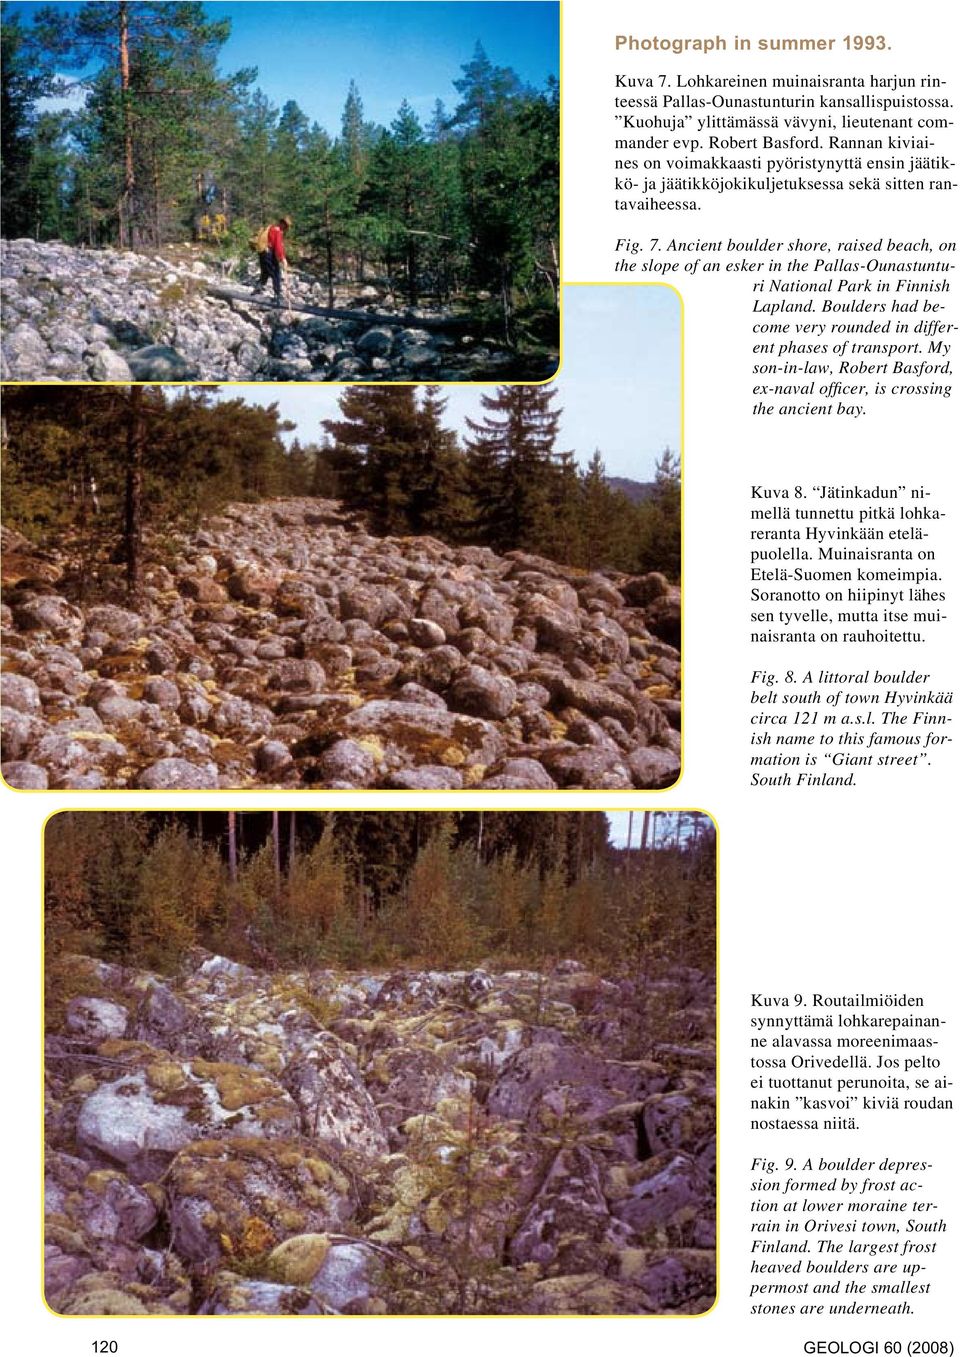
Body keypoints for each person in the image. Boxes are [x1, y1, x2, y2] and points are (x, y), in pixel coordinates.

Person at [253, 215, 291, 304]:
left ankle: (258, 287)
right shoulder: (277, 231)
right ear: (283, 224)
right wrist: (283, 259)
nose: (285, 229)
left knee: (265, 271)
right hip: (269, 254)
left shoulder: (271, 228)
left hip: (262, 252)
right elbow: (278, 247)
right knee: (276, 273)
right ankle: (277, 295)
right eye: (285, 226)